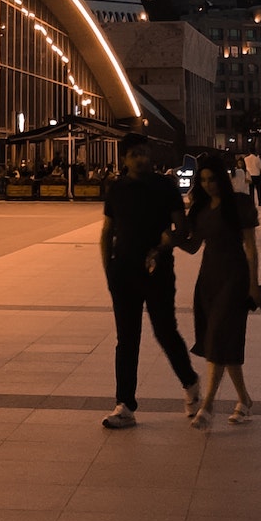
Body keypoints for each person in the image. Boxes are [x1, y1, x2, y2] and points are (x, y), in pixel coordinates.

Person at [99, 131, 202, 429]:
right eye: (134, 155)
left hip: (158, 271)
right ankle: (125, 405)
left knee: (165, 331)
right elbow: (107, 232)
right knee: (126, 339)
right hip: (123, 273)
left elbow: (181, 228)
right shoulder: (116, 189)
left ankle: (190, 383)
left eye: (144, 153)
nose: (141, 159)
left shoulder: (164, 186)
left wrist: (166, 243)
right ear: (124, 159)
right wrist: (110, 273)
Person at [176, 150, 260, 426]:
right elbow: (191, 246)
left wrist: (253, 284)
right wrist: (167, 239)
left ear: (221, 179)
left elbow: (250, 247)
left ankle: (208, 405)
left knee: (219, 339)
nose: (208, 185)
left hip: (234, 278)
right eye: (203, 180)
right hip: (209, 279)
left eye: (212, 179)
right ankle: (245, 401)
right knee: (223, 341)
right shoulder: (200, 210)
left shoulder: (239, 204)